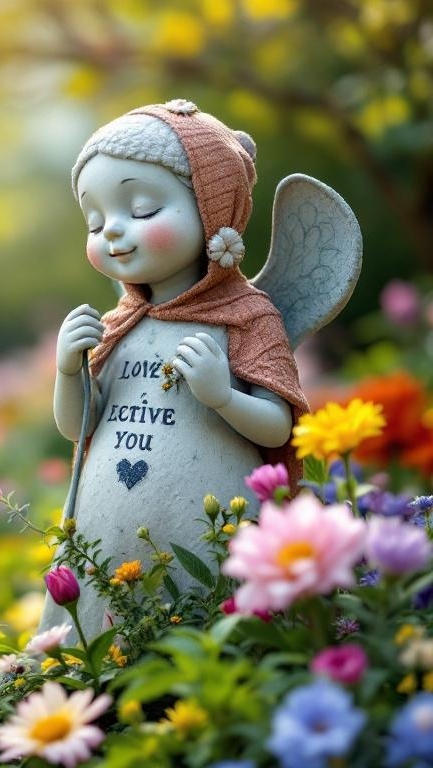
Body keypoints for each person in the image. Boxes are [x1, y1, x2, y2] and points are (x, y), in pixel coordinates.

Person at [40, 99, 310, 635]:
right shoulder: (122, 322)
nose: (113, 231)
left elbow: (280, 427)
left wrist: (224, 396)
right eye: (95, 221)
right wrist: (69, 371)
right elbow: (79, 427)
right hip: (108, 535)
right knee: (107, 631)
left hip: (207, 528)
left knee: (202, 619)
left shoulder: (245, 318)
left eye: (141, 210)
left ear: (213, 212)